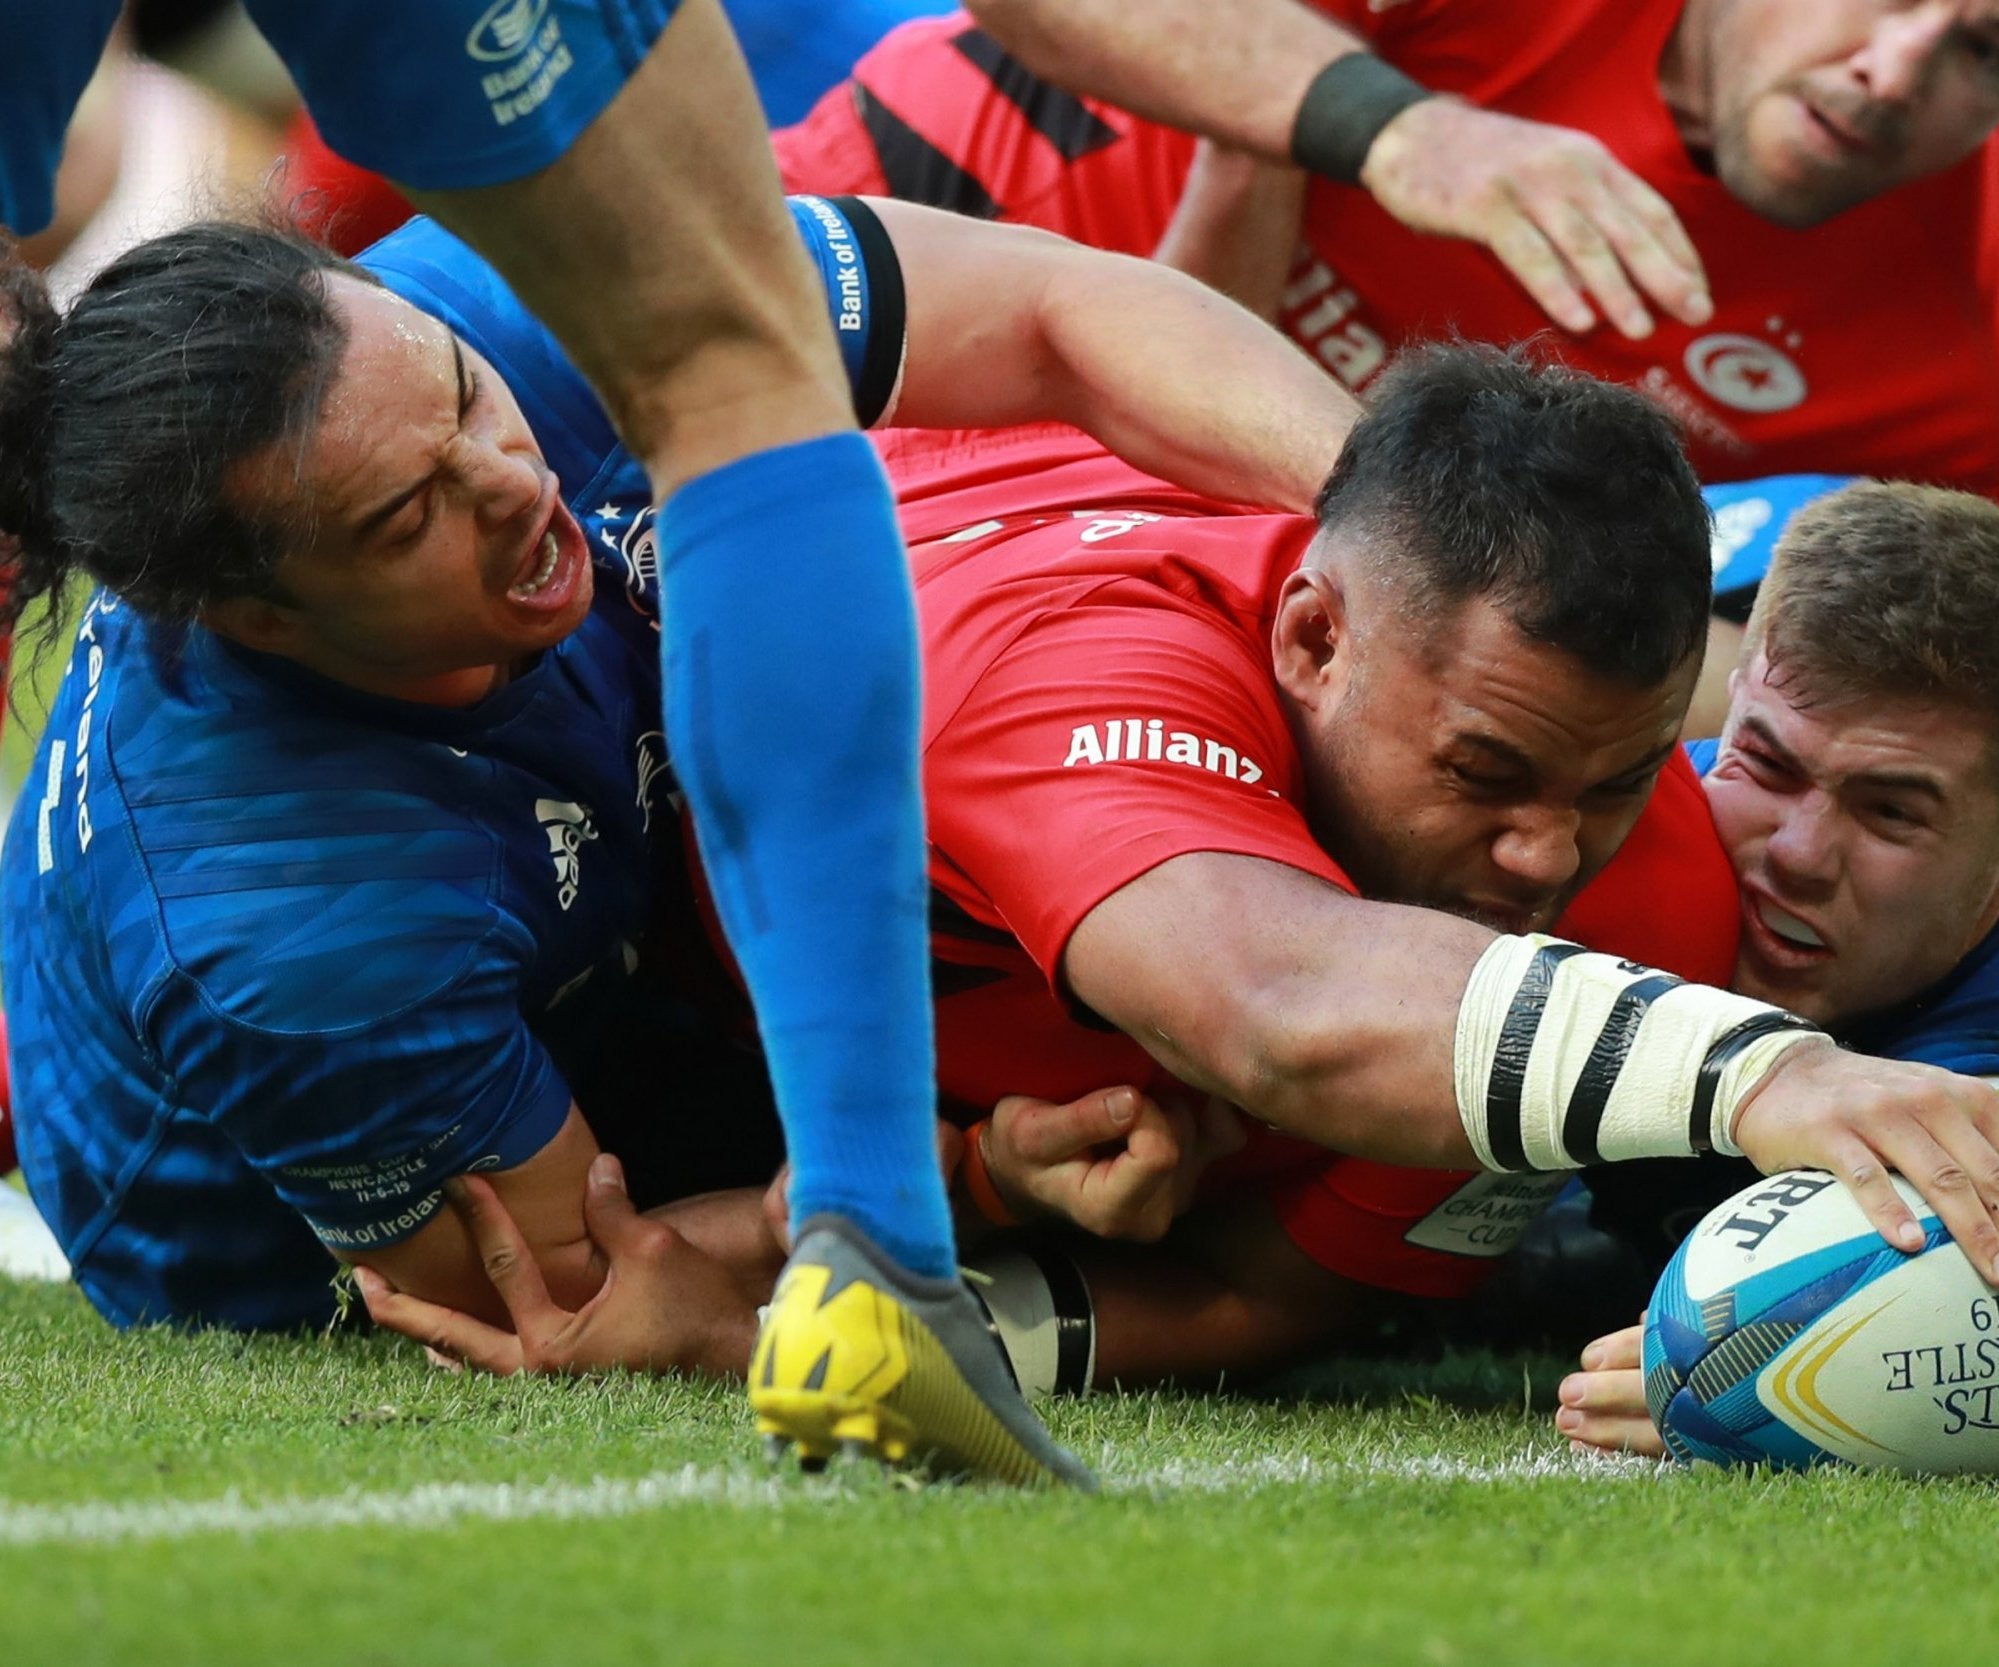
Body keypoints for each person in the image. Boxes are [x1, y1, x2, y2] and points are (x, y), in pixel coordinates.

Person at [357, 357, 1999, 1393]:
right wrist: (1770, 1071)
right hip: (562, 834)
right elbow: (1271, 1006)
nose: (1545, 856)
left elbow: (1259, 1293)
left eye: (1626, 780)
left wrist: (848, 1294)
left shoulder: (1641, 905)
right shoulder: (1080, 676)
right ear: (1309, 638)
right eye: (1487, 771)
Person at [0, 192, 1354, 1484]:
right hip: (349, 1181)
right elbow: (604, 1283)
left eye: (472, 394)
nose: (507, 481)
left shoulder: (500, 291)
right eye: (408, 515)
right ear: (262, 621)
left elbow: (1058, 309)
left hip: (598, 875)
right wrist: (981, 1175)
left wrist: (1405, 543)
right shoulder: (304, 926)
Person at [770, 0, 1999, 953]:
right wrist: (1395, 125)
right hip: (842, 322)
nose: (1894, 68)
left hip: (1169, 621)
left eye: (1989, 50)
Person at [1551, 481, 1999, 1452]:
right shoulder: (1621, 819)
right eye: (1765, 764)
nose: (1794, 851)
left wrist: (1732, 1361)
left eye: (1889, 811)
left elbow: (1935, 1297)